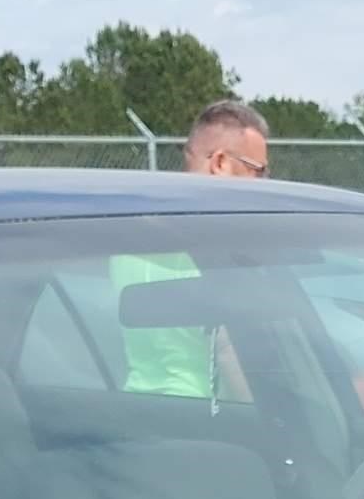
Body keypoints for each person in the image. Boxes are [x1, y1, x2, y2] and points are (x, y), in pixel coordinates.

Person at [116, 99, 270, 396]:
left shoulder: (127, 240)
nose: (265, 183)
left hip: (135, 407)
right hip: (205, 421)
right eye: (258, 170)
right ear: (221, 163)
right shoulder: (215, 249)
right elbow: (229, 353)